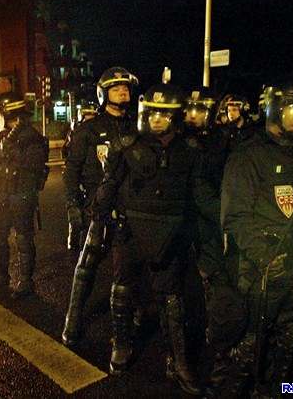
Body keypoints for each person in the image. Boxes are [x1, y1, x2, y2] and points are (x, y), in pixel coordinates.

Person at [91, 82, 215, 395]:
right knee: (122, 289)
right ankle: (121, 344)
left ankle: (178, 359)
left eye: (164, 114)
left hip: (170, 235)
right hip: (130, 232)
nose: (157, 119)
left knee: (171, 300)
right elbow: (108, 186)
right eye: (153, 113)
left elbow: (201, 195)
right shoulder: (126, 144)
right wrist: (97, 218)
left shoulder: (189, 152)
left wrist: (225, 220)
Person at [221, 80, 293, 396]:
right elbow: (235, 216)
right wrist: (263, 256)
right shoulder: (250, 156)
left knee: (289, 334)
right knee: (251, 342)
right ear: (277, 109)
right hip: (262, 266)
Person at [61, 67, 138, 346]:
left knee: (126, 273)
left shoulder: (136, 128)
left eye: (125, 88)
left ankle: (123, 334)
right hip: (98, 208)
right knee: (86, 267)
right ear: (104, 94)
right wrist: (73, 205)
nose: (123, 91)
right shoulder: (88, 130)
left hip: (129, 210)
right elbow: (71, 171)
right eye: (116, 88)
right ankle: (73, 318)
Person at [183, 86, 247, 387]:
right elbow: (200, 189)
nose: (192, 116)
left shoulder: (224, 140)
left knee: (221, 287)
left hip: (216, 224)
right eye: (190, 110)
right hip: (198, 223)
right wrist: (226, 214)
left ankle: (221, 352)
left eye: (199, 110)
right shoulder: (185, 142)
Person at [0, 92, 49, 299]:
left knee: (23, 239)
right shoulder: (3, 135)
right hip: (4, 193)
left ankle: (26, 282)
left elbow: (33, 166)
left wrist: (9, 151)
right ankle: (1, 276)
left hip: (22, 195)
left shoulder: (31, 137)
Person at [62, 100, 98, 252]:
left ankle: (82, 243)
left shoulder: (88, 130)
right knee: (78, 212)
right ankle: (76, 240)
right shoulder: (78, 131)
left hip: (88, 177)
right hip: (82, 175)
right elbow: (67, 153)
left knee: (85, 212)